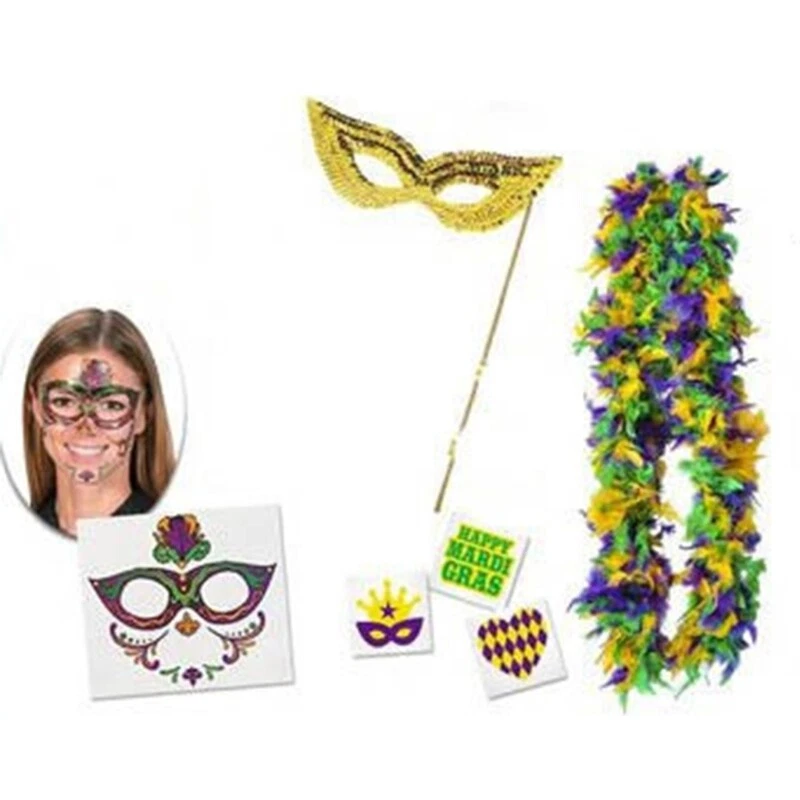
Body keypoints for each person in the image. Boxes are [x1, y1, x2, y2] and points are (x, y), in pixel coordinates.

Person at [24, 308, 176, 536]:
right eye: (64, 401)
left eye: (112, 405)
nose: (87, 427)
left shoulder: (169, 541)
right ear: (35, 405)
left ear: (144, 414)